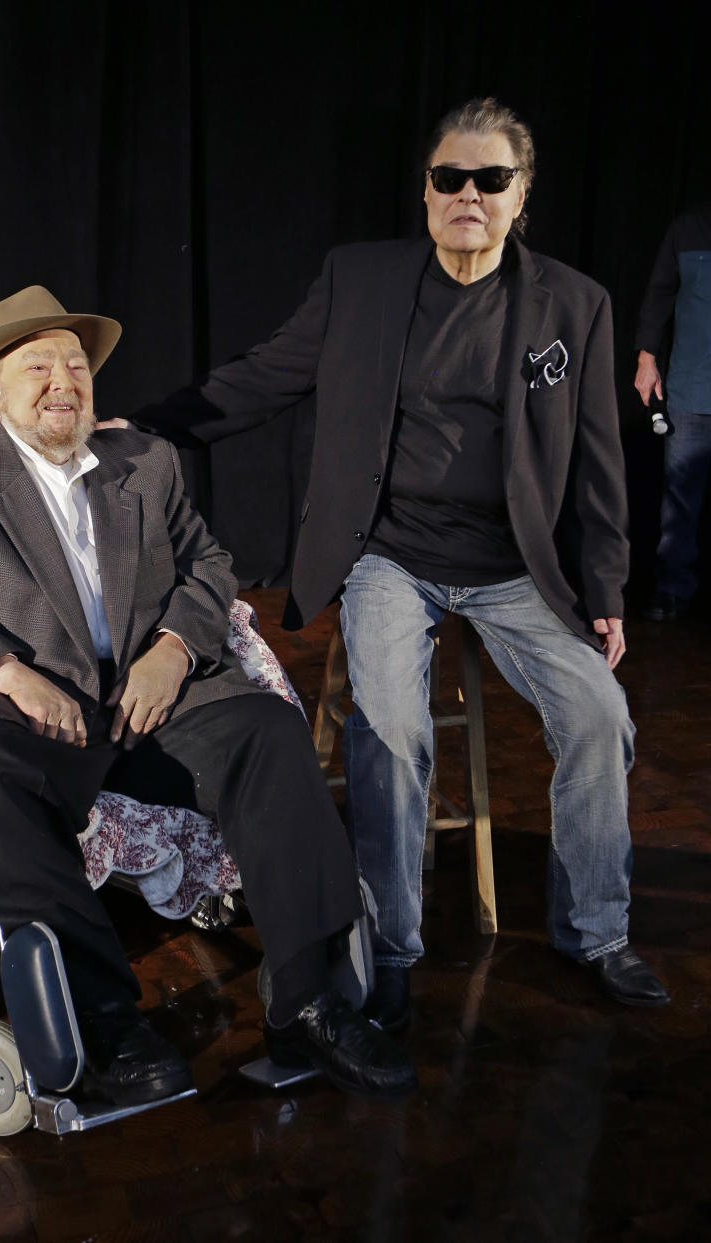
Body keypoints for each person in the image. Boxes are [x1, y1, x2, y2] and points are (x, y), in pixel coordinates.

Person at [134, 98, 670, 1021]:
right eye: (449, 178)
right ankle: (387, 947)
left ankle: (599, 931)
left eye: (490, 179)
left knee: (599, 713)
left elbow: (598, 465)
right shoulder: (363, 281)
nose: (468, 194)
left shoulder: (573, 306)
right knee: (391, 726)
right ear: (425, 191)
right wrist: (149, 425)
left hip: (516, 566)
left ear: (521, 194)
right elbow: (264, 376)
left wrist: (608, 589)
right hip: (389, 554)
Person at [0, 284, 417, 1105]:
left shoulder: (143, 461)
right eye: (39, 365)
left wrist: (172, 649)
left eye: (76, 363)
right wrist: (3, 673)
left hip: (147, 698)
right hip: (29, 712)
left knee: (268, 729)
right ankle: (105, 1019)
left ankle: (311, 999)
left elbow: (209, 566)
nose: (65, 379)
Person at [634, 202, 711, 621]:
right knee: (680, 499)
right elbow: (659, 291)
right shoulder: (689, 229)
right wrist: (646, 359)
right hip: (692, 387)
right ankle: (672, 590)